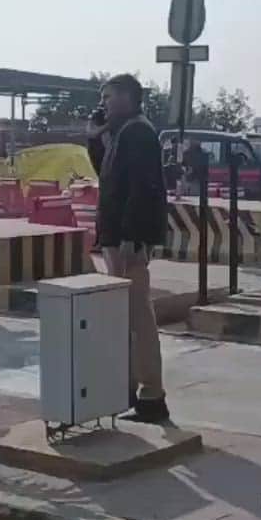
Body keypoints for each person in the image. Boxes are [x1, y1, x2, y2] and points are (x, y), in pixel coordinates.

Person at [87, 74, 170, 423]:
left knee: (137, 318)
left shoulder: (138, 132)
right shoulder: (124, 132)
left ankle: (151, 395)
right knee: (128, 319)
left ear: (126, 97)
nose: (104, 103)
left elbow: (142, 188)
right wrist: (95, 136)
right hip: (118, 238)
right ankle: (134, 390)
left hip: (127, 241)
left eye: (108, 96)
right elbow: (106, 174)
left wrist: (131, 237)